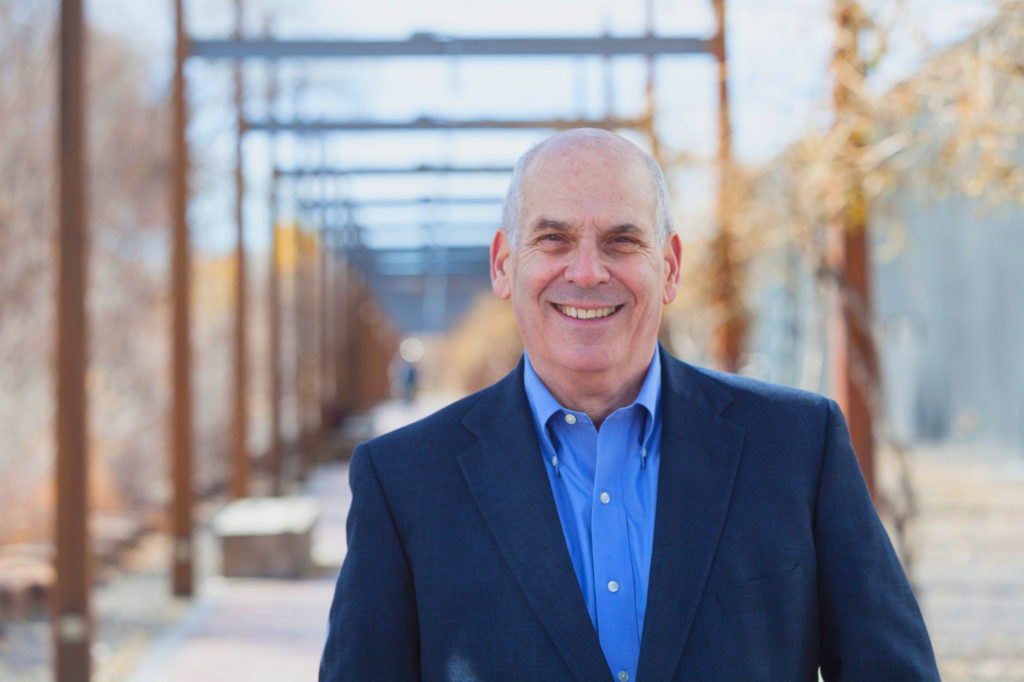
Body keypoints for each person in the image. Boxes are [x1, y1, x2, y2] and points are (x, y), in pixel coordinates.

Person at [319, 129, 939, 681]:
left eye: (621, 241)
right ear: (505, 265)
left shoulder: (799, 447)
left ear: (668, 267)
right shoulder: (403, 483)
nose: (587, 272)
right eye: (554, 239)